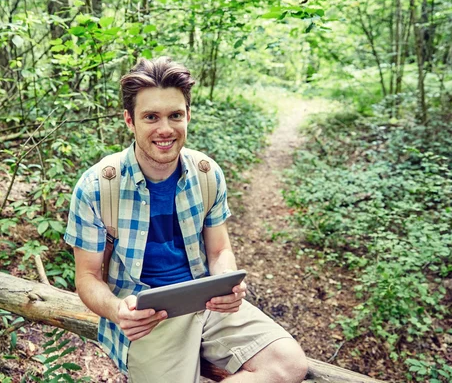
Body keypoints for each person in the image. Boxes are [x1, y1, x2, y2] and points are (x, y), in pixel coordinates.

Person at [65, 57, 308, 382]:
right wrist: (118, 312)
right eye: (151, 117)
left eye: (175, 115)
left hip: (205, 301)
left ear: (188, 116)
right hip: (147, 314)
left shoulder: (206, 174)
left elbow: (219, 251)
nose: (165, 129)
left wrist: (227, 285)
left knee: (288, 363)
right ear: (129, 120)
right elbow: (87, 277)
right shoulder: (97, 187)